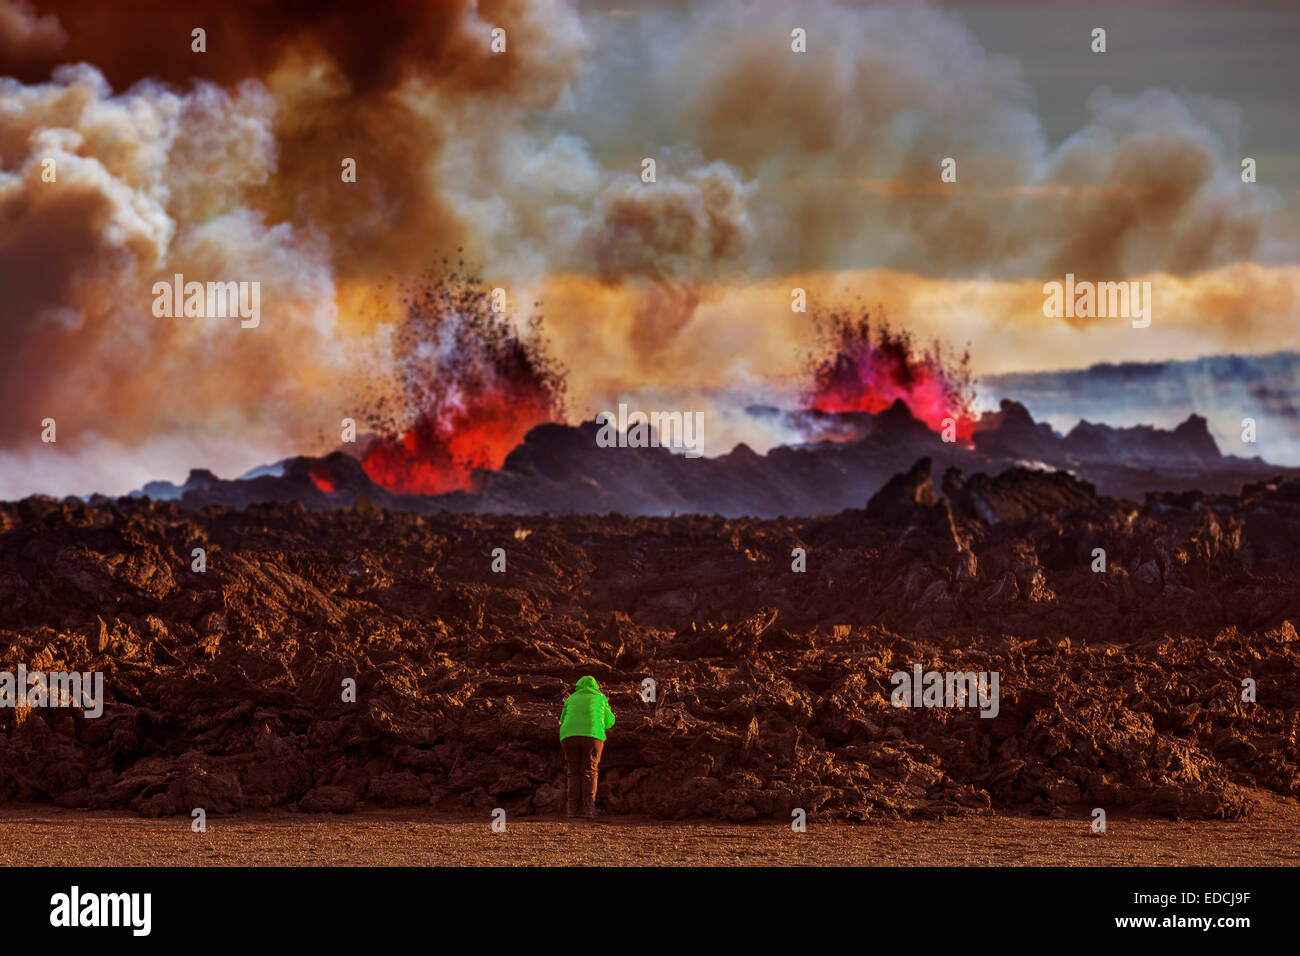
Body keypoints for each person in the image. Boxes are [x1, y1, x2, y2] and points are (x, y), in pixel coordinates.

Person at [558, 675, 615, 819]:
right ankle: (589, 811)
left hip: (568, 736)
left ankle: (572, 811)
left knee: (573, 772)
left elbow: (562, 719)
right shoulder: (600, 697)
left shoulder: (571, 698)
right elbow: (610, 721)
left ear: (579, 686)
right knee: (589, 771)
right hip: (592, 736)